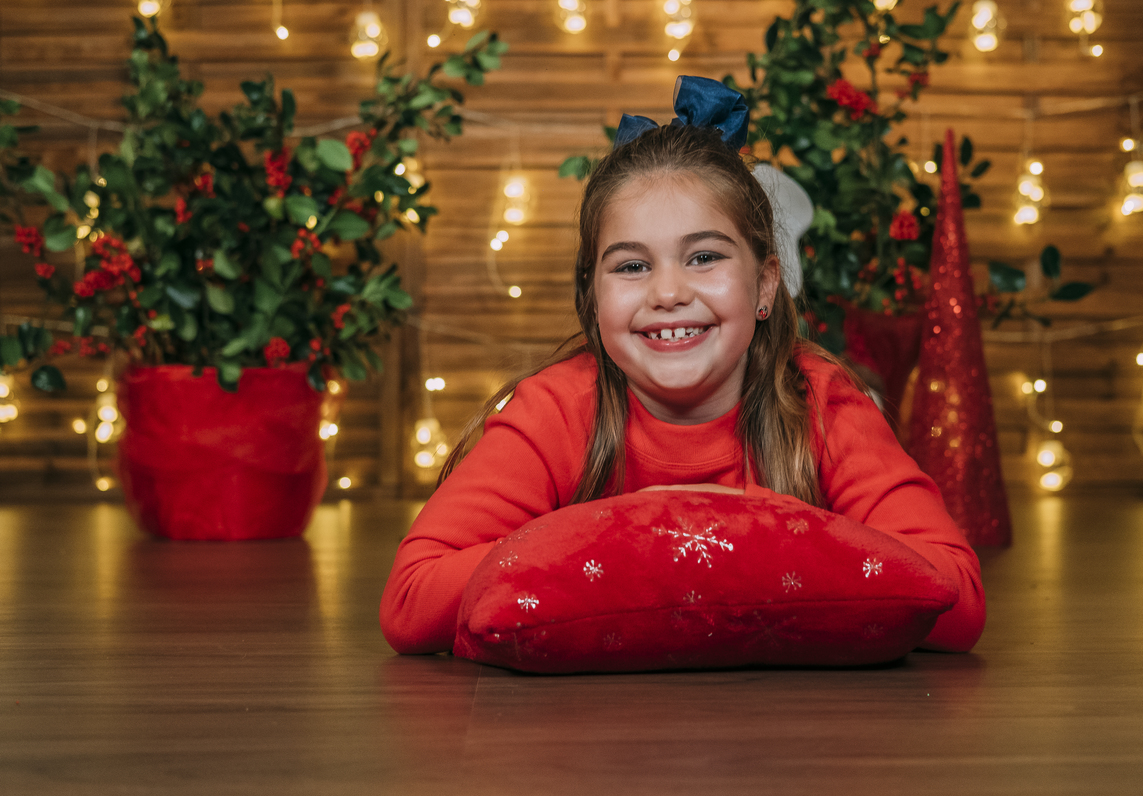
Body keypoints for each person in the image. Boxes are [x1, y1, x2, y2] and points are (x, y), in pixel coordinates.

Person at [380, 77, 985, 658]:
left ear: (765, 283)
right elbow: (410, 601)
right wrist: (638, 529)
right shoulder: (554, 413)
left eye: (703, 257)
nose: (668, 292)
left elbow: (956, 595)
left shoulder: (822, 404)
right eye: (631, 266)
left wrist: (735, 528)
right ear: (591, 296)